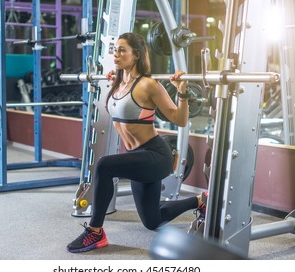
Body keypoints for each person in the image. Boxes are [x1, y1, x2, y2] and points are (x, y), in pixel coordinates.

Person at [67, 32, 207, 253]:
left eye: (122, 50)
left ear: (136, 55)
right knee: (153, 221)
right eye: (115, 49)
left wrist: (182, 92)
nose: (116, 53)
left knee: (105, 165)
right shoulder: (117, 82)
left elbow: (179, 119)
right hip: (139, 159)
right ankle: (199, 200)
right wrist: (115, 81)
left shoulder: (149, 85)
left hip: (155, 156)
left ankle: (95, 232)